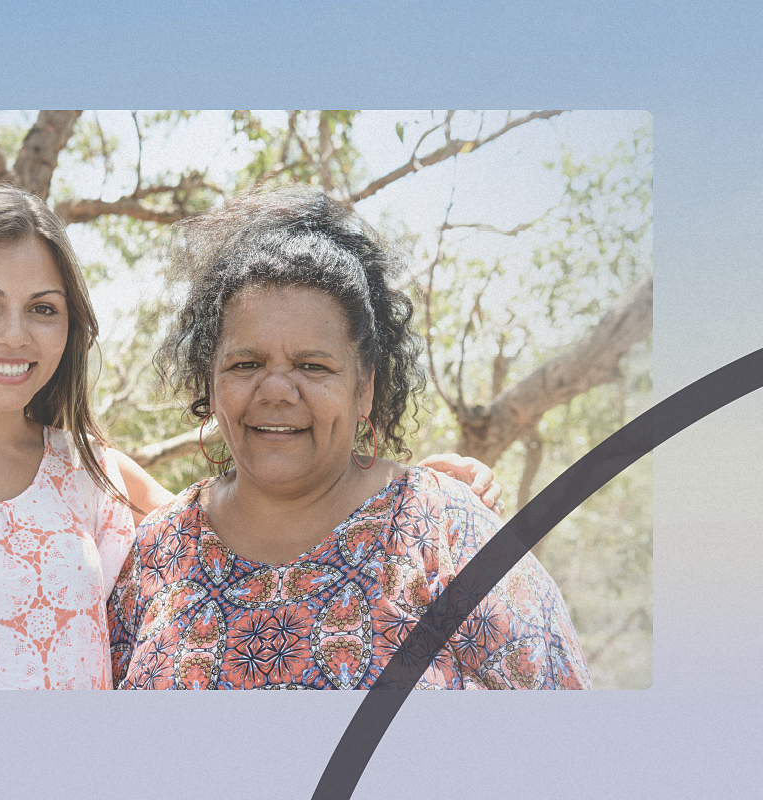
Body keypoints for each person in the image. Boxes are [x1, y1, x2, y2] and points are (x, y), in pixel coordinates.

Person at [0, 185, 500, 690]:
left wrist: (406, 494)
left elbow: (244, 525)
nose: (14, 335)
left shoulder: (82, 474)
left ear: (70, 326)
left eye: (43, 309)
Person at [108, 189, 590, 690]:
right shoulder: (157, 553)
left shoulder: (448, 535)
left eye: (312, 366)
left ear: (365, 390)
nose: (275, 389)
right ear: (210, 382)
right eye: (245, 364)